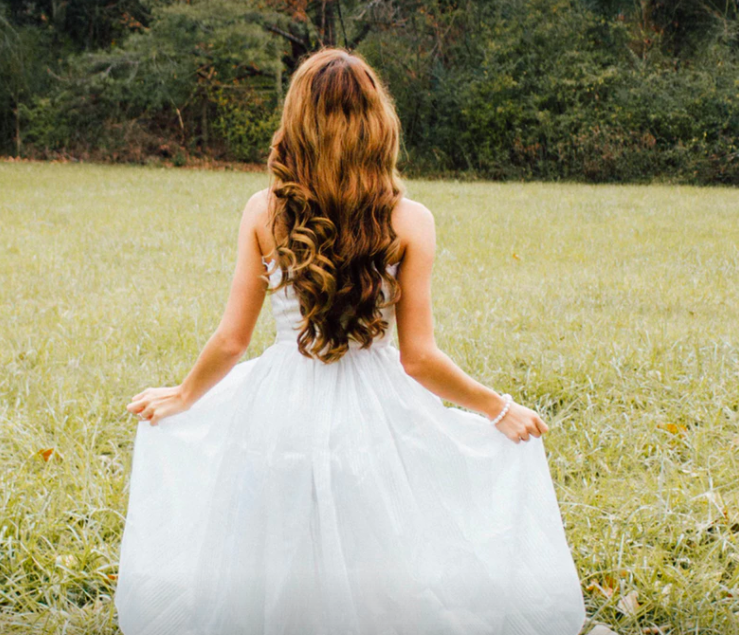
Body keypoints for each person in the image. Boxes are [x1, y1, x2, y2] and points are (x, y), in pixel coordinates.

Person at [116, 47, 587, 635]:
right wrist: (498, 407)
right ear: (378, 125)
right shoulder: (411, 220)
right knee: (378, 528)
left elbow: (233, 339)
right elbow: (418, 358)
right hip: (377, 405)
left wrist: (185, 395)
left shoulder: (265, 211)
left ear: (297, 123)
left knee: (281, 529)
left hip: (280, 405)